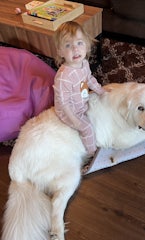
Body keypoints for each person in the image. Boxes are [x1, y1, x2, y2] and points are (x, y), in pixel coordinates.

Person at [53, 21, 106, 156]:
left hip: (81, 102)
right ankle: (91, 154)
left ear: (87, 45)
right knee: (87, 128)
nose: (75, 49)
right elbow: (64, 103)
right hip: (68, 112)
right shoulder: (64, 76)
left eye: (79, 43)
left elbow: (89, 79)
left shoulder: (84, 63)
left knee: (98, 114)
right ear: (60, 52)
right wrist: (74, 120)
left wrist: (101, 91)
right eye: (68, 45)